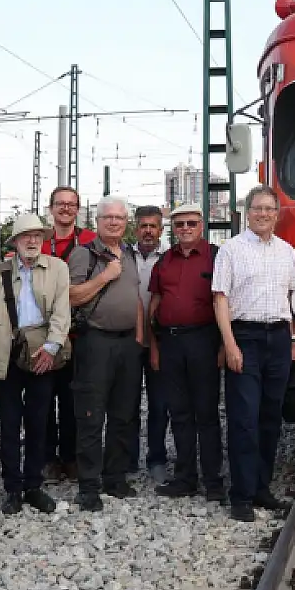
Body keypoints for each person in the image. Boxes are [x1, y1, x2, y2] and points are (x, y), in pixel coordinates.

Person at [213, 186, 295, 523]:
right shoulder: (231, 251)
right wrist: (230, 344)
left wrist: (292, 341)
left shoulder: (288, 253)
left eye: (269, 209)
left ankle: (262, 488)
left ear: (277, 214)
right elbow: (220, 300)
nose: (263, 214)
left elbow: (289, 301)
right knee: (243, 419)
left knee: (269, 418)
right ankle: (241, 495)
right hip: (244, 337)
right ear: (247, 213)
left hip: (277, 338)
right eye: (257, 208)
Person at [0, 212, 69, 515]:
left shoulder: (58, 268)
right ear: (16, 241)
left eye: (37, 236)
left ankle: (33, 484)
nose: (32, 241)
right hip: (7, 355)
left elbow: (62, 311)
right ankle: (12, 487)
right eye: (25, 236)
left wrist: (51, 348)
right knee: (8, 422)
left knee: (38, 420)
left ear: (43, 240)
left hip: (42, 353)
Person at [66, 196, 146, 509]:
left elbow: (136, 299)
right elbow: (72, 297)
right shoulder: (83, 255)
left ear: (126, 222)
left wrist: (139, 339)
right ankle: (88, 485)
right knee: (90, 414)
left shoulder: (129, 255)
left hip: (128, 344)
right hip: (95, 342)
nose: (113, 222)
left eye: (119, 218)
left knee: (123, 414)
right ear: (97, 221)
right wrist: (104, 276)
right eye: (107, 217)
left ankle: (116, 477)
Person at [148, 203, 224, 501]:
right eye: (179, 225)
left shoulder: (217, 257)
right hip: (170, 343)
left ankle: (214, 479)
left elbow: (225, 303)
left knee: (206, 414)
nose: (185, 229)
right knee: (179, 413)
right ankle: (185, 478)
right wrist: (154, 346)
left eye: (191, 223)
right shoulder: (164, 261)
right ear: (173, 228)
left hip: (204, 341)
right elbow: (153, 304)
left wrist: (221, 346)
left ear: (201, 226)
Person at [41, 186, 95, 482]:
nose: (66, 209)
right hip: (44, 335)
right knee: (45, 399)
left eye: (71, 204)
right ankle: (48, 457)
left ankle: (72, 457)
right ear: (51, 208)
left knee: (74, 400)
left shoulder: (88, 241)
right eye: (60, 204)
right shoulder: (39, 239)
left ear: (78, 209)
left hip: (78, 336)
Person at [131, 204, 172, 485]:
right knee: (127, 405)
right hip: (129, 341)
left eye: (153, 226)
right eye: (143, 225)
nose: (148, 231)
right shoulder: (122, 255)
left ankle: (157, 458)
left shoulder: (170, 257)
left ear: (160, 229)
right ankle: (128, 458)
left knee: (160, 404)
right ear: (136, 228)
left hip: (160, 342)